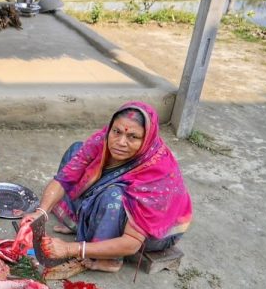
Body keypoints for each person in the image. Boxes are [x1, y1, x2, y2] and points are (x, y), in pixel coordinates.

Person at [13, 101, 192, 274]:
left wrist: (71, 248)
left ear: (147, 139)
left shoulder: (157, 174)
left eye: (133, 137)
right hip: (117, 204)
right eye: (117, 132)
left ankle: (110, 261)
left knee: (113, 196)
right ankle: (81, 224)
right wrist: (41, 212)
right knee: (76, 150)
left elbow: (132, 242)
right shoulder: (103, 140)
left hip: (153, 236)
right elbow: (64, 179)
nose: (121, 142)